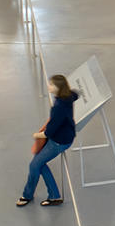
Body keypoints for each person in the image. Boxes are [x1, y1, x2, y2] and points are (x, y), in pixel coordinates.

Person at [17, 75, 78, 207]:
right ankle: (54, 196)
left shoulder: (59, 107)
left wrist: (36, 135)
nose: (48, 86)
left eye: (51, 85)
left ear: (58, 88)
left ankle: (28, 195)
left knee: (34, 165)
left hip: (59, 141)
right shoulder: (68, 96)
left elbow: (49, 132)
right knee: (38, 164)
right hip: (66, 136)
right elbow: (75, 94)